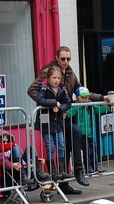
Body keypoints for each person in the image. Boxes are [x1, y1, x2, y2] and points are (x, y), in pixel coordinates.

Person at [27, 46, 88, 186]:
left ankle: (67, 179)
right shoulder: (48, 72)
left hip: (62, 115)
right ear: (56, 57)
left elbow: (80, 90)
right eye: (63, 59)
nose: (66, 61)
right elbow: (31, 90)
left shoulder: (70, 73)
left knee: (65, 144)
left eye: (68, 59)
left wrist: (101, 98)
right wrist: (51, 103)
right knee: (72, 134)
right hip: (50, 117)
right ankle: (74, 171)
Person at [34, 65, 80, 194]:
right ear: (48, 78)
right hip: (46, 123)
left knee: (61, 145)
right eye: (54, 77)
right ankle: (53, 172)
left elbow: (68, 102)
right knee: (50, 146)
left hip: (57, 122)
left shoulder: (62, 89)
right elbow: (40, 100)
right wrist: (54, 103)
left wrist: (61, 108)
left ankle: (61, 171)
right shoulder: (43, 88)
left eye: (58, 78)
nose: (56, 80)